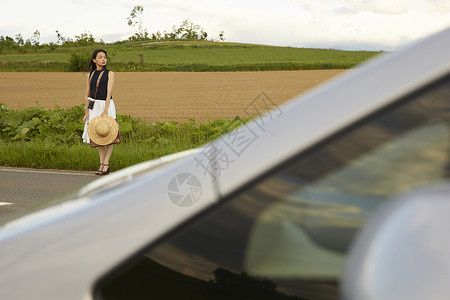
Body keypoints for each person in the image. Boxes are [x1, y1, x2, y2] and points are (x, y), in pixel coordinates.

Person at [82, 49, 118, 175]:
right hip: (93, 106)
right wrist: (86, 112)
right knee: (98, 135)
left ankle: (106, 163)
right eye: (101, 57)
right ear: (94, 60)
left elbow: (109, 93)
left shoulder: (110, 74)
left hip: (105, 104)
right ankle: (101, 163)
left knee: (109, 134)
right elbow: (87, 94)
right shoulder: (90, 75)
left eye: (105, 57)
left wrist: (106, 109)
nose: (104, 59)